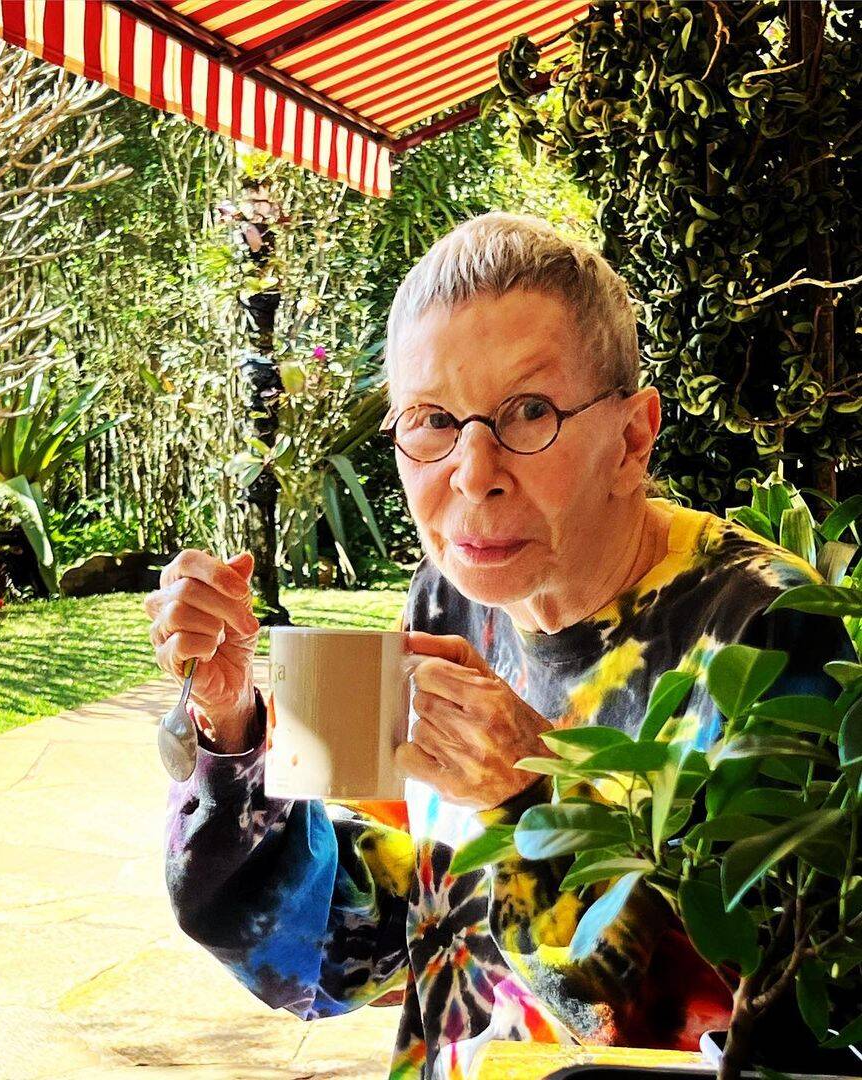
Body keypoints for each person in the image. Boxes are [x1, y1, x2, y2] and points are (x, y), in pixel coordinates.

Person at [145, 212, 854, 1080]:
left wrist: (532, 800)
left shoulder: (766, 640)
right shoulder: (451, 600)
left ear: (633, 438)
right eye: (433, 419)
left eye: (529, 411)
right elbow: (358, 940)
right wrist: (232, 735)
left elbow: (776, 1030)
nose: (474, 472)